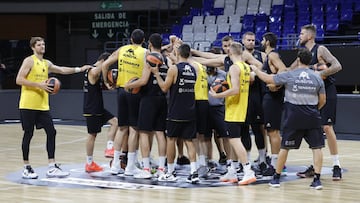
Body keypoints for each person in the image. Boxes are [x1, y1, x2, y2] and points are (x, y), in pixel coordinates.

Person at [251, 48, 326, 189]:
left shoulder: (290, 75)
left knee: (285, 148)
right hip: (312, 116)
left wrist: (256, 69)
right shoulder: (317, 77)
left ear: (298, 59)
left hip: (293, 116)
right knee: (317, 148)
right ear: (310, 60)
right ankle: (316, 180)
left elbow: (268, 79)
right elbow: (322, 100)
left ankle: (276, 178)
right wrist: (314, 110)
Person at [16, 36, 91, 179]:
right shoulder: (29, 61)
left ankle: (51, 166)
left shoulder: (46, 63)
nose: (42, 46)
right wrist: (40, 85)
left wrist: (79, 69)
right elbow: (19, 79)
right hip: (28, 105)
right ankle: (26, 167)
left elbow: (61, 70)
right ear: (33, 47)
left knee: (52, 132)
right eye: (39, 45)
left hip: (42, 106)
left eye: (43, 44)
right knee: (28, 134)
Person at [293, 24, 343, 180]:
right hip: (311, 94)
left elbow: (337, 66)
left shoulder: (320, 49)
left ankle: (336, 166)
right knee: (313, 130)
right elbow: (289, 70)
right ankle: (315, 166)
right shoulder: (303, 54)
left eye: (301, 33)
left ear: (310, 36)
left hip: (327, 91)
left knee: (327, 127)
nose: (299, 36)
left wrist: (319, 73)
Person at [209, 42, 256, 185]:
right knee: (235, 140)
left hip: (234, 108)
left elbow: (235, 89)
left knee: (234, 140)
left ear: (229, 52)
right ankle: (233, 171)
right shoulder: (246, 67)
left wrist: (217, 96)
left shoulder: (234, 68)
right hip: (243, 107)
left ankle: (248, 170)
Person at [152, 44, 199, 183]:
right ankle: (194, 171)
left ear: (178, 53)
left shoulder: (173, 68)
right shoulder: (193, 68)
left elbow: (165, 88)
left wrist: (156, 74)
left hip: (176, 111)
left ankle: (171, 172)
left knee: (171, 139)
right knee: (189, 141)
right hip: (190, 110)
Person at [101, 29, 147, 176]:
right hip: (135, 90)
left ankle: (115, 165)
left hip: (121, 91)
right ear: (143, 40)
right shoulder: (145, 53)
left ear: (131, 39)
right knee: (134, 129)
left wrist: (107, 82)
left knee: (121, 128)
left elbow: (104, 65)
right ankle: (130, 166)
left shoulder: (122, 49)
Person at [124, 33, 167, 179]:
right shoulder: (166, 59)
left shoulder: (149, 58)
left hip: (148, 99)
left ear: (149, 44)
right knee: (160, 133)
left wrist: (129, 85)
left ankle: (147, 169)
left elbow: (143, 81)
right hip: (162, 98)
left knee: (144, 133)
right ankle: (162, 168)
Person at [83, 52, 118, 173]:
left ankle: (109, 148)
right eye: (108, 64)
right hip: (92, 109)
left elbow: (97, 86)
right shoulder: (92, 71)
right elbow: (101, 70)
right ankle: (89, 163)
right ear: (104, 61)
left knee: (115, 122)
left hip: (98, 107)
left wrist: (108, 85)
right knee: (92, 135)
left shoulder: (95, 72)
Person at [259, 32, 287, 176]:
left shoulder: (272, 55)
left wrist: (276, 84)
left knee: (273, 131)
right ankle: (277, 162)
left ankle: (276, 165)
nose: (261, 42)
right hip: (269, 97)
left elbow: (284, 70)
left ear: (268, 42)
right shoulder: (268, 57)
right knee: (271, 131)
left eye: (263, 40)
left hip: (273, 97)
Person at [241, 31, 268, 171]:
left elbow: (267, 70)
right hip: (242, 97)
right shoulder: (238, 56)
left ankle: (263, 159)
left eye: (253, 40)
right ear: (243, 41)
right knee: (244, 130)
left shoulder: (261, 55)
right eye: (248, 40)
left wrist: (254, 69)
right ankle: (247, 160)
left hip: (257, 96)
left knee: (259, 129)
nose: (251, 42)